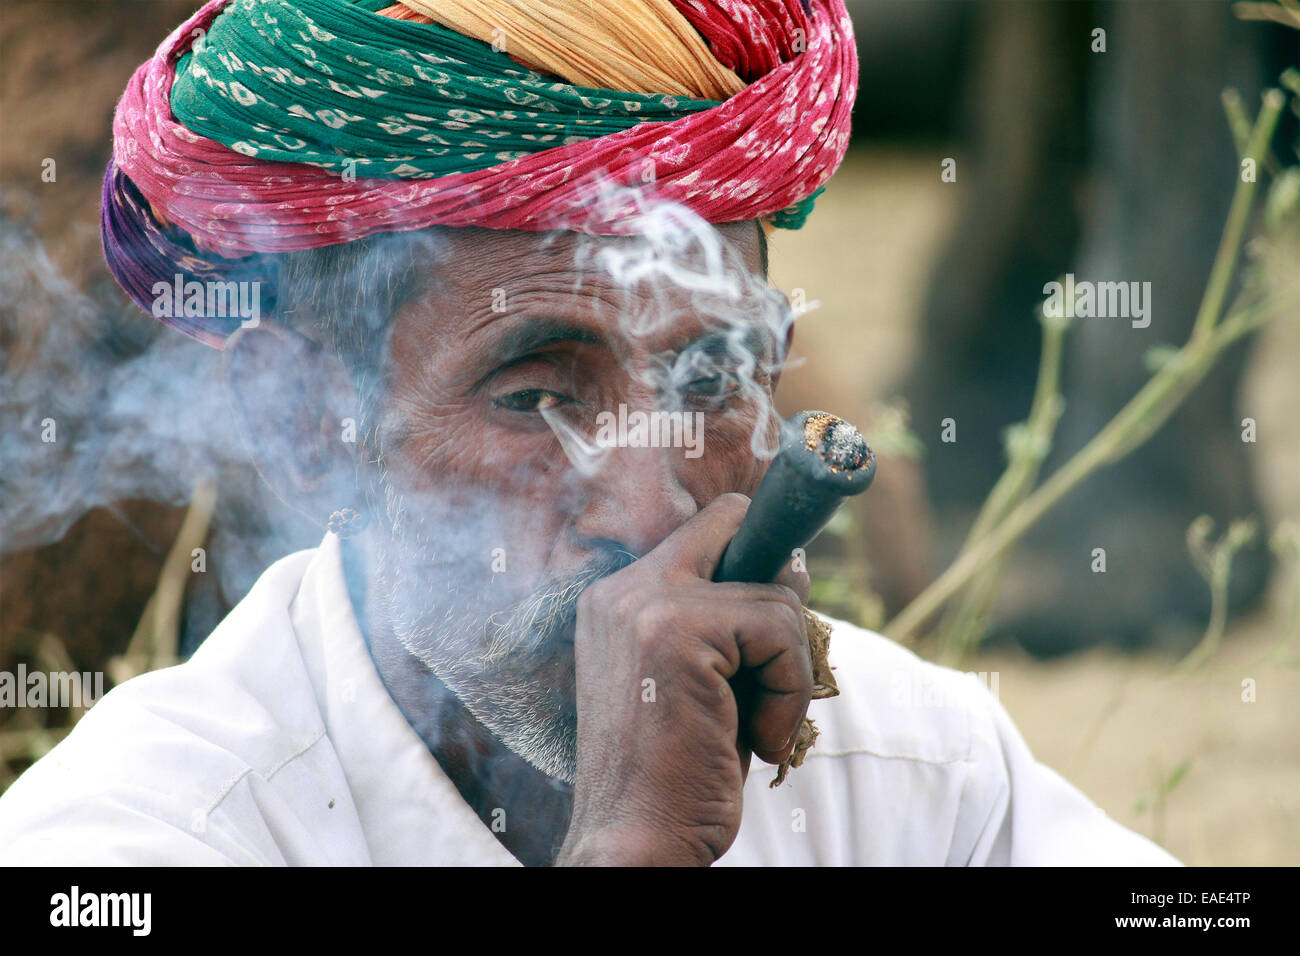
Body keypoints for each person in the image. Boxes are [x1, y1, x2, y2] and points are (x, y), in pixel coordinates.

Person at [0, 0, 1176, 866]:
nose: (651, 508)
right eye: (534, 396)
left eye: (712, 375)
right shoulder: (132, 838)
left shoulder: (913, 764)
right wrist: (634, 846)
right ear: (304, 424)